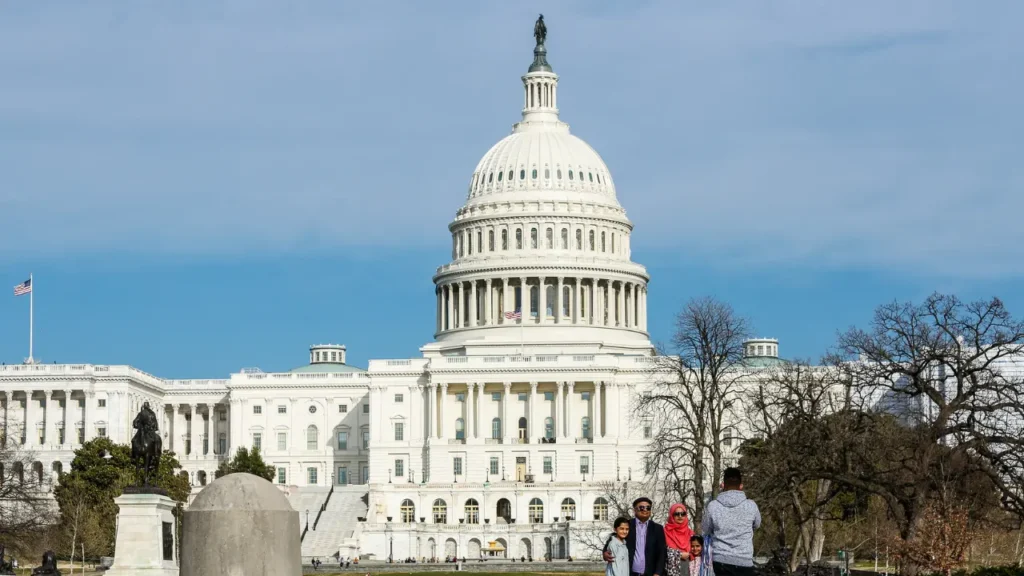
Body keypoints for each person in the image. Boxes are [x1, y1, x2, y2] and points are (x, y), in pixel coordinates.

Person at [702, 468, 761, 576]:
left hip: (721, 560)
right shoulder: (751, 505)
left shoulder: (713, 506)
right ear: (740, 486)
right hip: (744, 560)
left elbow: (705, 528)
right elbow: (757, 524)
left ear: (723, 485)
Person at [603, 497, 667, 576]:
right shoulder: (627, 525)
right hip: (630, 573)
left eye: (648, 508)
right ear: (634, 510)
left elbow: (662, 552)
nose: (645, 510)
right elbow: (614, 538)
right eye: (641, 507)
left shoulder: (657, 528)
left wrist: (658, 573)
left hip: (650, 573)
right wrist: (605, 552)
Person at [665, 503, 694, 576]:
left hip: (688, 570)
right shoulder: (664, 532)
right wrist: (678, 554)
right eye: (677, 514)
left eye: (683, 514)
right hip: (669, 571)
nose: (680, 516)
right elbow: (660, 552)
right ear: (672, 516)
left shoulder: (691, 533)